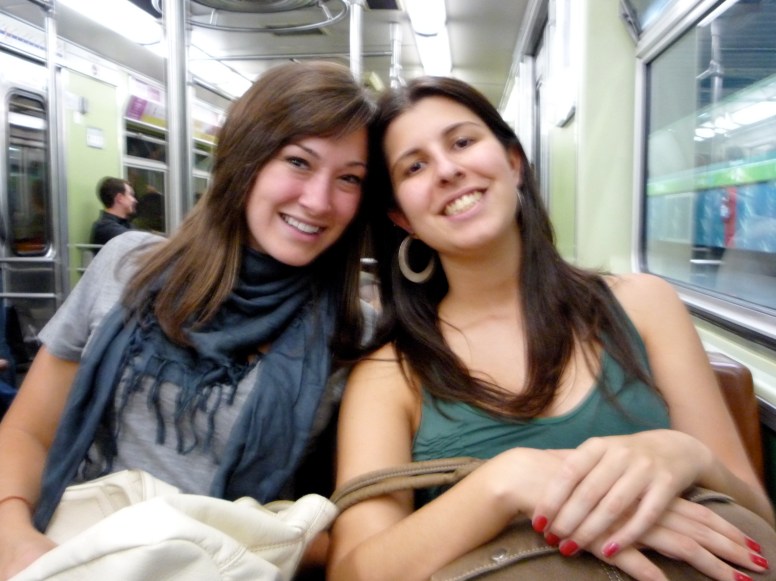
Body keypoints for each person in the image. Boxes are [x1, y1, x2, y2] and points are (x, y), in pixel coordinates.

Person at [329, 76, 774, 581]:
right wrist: (501, 485)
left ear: (513, 162)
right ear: (401, 217)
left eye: (462, 142)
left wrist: (688, 454)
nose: (448, 170)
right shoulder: (391, 373)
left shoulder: (645, 305)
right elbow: (353, 572)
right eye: (415, 166)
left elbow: (759, 517)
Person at [0, 60, 375, 580]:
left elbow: (350, 531)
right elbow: (27, 430)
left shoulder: (355, 334)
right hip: (72, 555)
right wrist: (14, 536)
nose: (318, 200)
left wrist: (232, 536)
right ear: (246, 159)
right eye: (298, 162)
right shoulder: (127, 265)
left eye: (349, 178)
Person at [89, 176, 137, 246]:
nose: (134, 200)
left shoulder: (126, 224)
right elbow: (138, 242)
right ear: (120, 198)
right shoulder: (105, 227)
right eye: (131, 195)